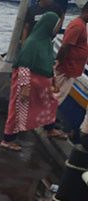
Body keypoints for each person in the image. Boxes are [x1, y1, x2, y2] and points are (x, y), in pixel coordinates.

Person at [0, 12, 60, 152]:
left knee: (52, 102)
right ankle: (8, 139)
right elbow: (24, 65)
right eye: (56, 26)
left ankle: (49, 127)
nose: (57, 29)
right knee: (17, 109)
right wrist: (25, 86)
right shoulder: (32, 42)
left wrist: (53, 82)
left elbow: (49, 63)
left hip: (41, 85)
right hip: (28, 83)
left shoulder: (46, 41)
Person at [47, 5, 88, 137]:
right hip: (66, 69)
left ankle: (49, 123)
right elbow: (65, 46)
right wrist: (58, 63)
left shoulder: (81, 25)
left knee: (57, 97)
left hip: (71, 69)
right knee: (56, 98)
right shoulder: (78, 26)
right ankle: (49, 127)